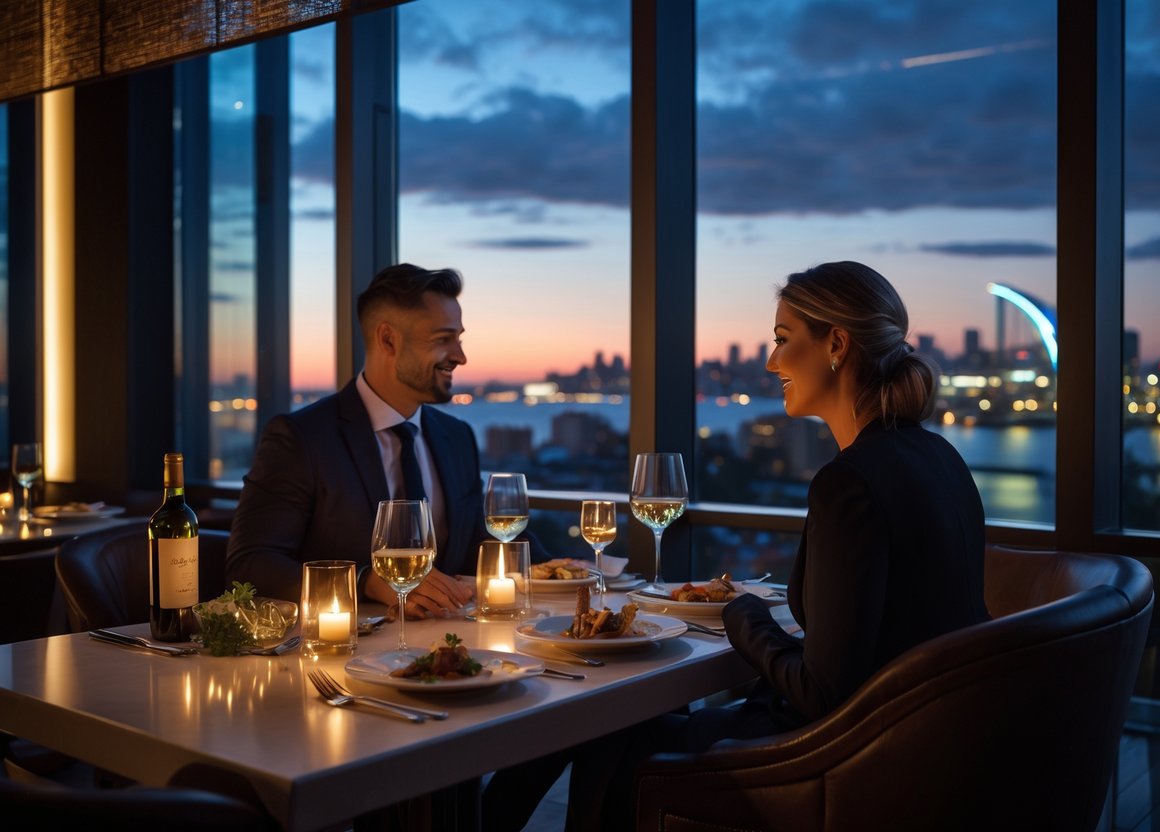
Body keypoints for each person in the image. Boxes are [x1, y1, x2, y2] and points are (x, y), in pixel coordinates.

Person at [483, 260, 988, 831]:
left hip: (838, 762)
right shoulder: (941, 458)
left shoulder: (850, 483)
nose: (771, 361)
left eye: (782, 340)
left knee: (612, 736)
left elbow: (822, 692)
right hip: (924, 746)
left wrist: (742, 615)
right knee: (631, 722)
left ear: (837, 345)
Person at [228, 262, 507, 617]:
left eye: (459, 338)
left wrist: (575, 569)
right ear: (388, 339)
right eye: (442, 339)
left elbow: (477, 544)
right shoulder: (302, 438)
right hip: (339, 659)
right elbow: (249, 564)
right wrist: (367, 583)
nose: (460, 356)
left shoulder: (457, 438)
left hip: (451, 654)